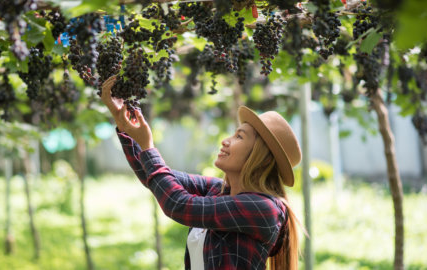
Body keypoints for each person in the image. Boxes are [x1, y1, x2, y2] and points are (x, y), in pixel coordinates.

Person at [101, 76, 303, 270]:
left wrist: (147, 145)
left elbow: (177, 204)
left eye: (239, 137)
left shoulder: (264, 208)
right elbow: (154, 176)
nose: (226, 140)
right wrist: (124, 123)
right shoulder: (216, 190)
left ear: (259, 156)